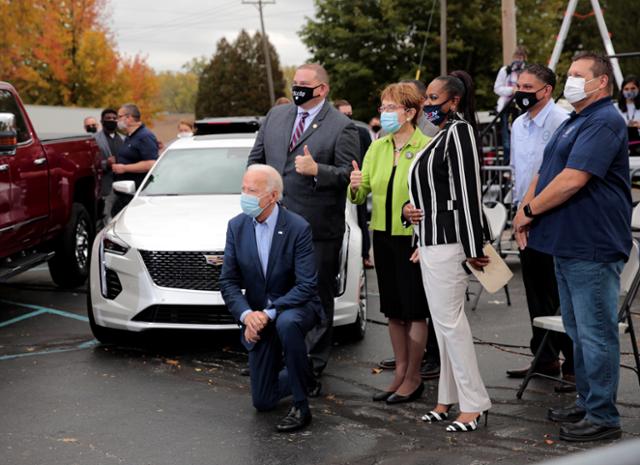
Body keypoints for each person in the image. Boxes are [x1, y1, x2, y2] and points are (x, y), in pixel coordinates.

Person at [513, 52, 631, 442]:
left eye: (579, 75)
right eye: (569, 74)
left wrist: (530, 209)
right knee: (579, 331)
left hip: (591, 245)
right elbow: (545, 172)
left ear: (601, 83)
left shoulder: (605, 121)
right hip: (567, 244)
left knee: (596, 333)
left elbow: (573, 179)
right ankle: (587, 400)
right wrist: (523, 212)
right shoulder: (577, 120)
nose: (571, 80)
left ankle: (603, 417)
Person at [247, 63, 360, 378]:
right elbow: (256, 160)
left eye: (304, 84)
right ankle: (275, 357)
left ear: (322, 89)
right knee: (275, 292)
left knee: (315, 298)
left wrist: (317, 170)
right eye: (294, 82)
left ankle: (310, 366)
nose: (296, 88)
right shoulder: (276, 116)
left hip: (317, 229)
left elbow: (348, 175)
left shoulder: (341, 126)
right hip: (273, 222)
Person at [405, 72, 492, 432]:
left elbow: (469, 192)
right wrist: (408, 216)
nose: (428, 105)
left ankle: (473, 404)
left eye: (434, 99)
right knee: (444, 326)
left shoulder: (460, 133)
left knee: (451, 325)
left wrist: (474, 247)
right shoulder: (438, 137)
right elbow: (428, 194)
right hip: (430, 240)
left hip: (450, 242)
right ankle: (447, 399)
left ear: (453, 101)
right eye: (427, 99)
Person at [219, 164, 323, 433]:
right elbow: (228, 282)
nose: (245, 195)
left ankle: (301, 406)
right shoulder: (237, 226)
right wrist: (247, 315)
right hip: (257, 315)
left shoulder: (297, 227)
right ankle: (304, 372)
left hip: (295, 306)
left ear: (272, 196)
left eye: (252, 190)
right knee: (263, 401)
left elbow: (307, 285)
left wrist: (269, 312)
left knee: (287, 324)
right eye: (243, 188)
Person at [348, 83, 431, 404]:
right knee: (393, 312)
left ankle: (414, 376)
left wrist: (425, 236)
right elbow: (360, 193)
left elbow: (432, 198)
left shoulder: (426, 146)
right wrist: (354, 185)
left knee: (414, 311)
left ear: (410, 112)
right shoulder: (377, 147)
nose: (384, 113)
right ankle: (399, 371)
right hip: (381, 236)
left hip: (412, 238)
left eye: (391, 108)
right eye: (382, 107)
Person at [506, 64, 574, 386]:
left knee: (558, 291)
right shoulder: (518, 124)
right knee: (535, 291)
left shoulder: (563, 122)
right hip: (524, 216)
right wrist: (517, 213)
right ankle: (544, 357)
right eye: (518, 86)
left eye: (527, 87)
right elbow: (520, 171)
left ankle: (573, 362)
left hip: (553, 214)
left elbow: (561, 174)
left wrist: (533, 209)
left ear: (546, 91)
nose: (520, 93)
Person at [334, 98, 373, 268]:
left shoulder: (362, 133)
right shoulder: (331, 132)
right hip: (338, 183)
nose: (348, 118)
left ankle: (365, 254)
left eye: (350, 114)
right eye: (344, 115)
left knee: (361, 218)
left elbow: (370, 158)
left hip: (359, 183)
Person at [111, 103, 159, 216]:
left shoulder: (145, 136)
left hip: (136, 194)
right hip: (124, 193)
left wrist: (124, 168)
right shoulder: (130, 136)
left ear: (129, 117)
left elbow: (151, 163)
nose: (117, 120)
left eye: (119, 117)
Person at [494, 46, 527, 164]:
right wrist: (511, 90)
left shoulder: (526, 71)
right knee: (507, 140)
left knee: (520, 138)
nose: (518, 59)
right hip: (506, 108)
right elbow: (497, 88)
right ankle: (507, 164)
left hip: (521, 108)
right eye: (517, 57)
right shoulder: (505, 70)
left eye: (521, 57)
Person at [94, 108, 125, 224]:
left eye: (114, 118)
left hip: (122, 184)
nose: (111, 120)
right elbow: (92, 162)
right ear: (102, 121)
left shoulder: (124, 139)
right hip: (105, 186)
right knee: (105, 218)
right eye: (108, 118)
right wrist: (105, 163)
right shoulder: (95, 139)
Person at [616, 75, 640, 155]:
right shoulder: (615, 107)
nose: (629, 91)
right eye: (626, 89)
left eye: (633, 88)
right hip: (620, 146)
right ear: (622, 90)